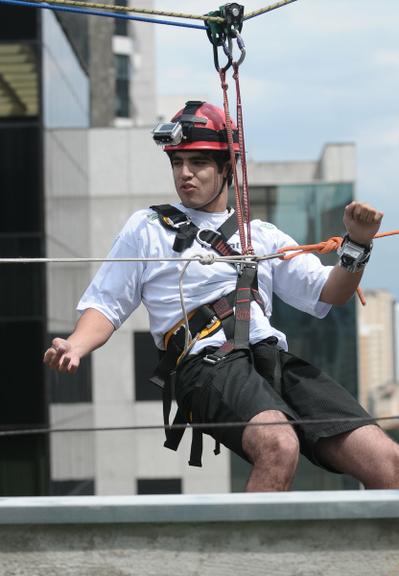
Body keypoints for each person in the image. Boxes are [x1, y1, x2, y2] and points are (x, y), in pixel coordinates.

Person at [44, 101, 399, 491]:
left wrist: (358, 245)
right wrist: (76, 345)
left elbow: (330, 292)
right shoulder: (148, 228)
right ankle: (246, 554)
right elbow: (107, 304)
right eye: (178, 163)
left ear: (227, 168)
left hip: (269, 359)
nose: (185, 174)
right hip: (204, 364)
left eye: (198, 163)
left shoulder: (260, 236)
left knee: (387, 461)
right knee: (279, 444)